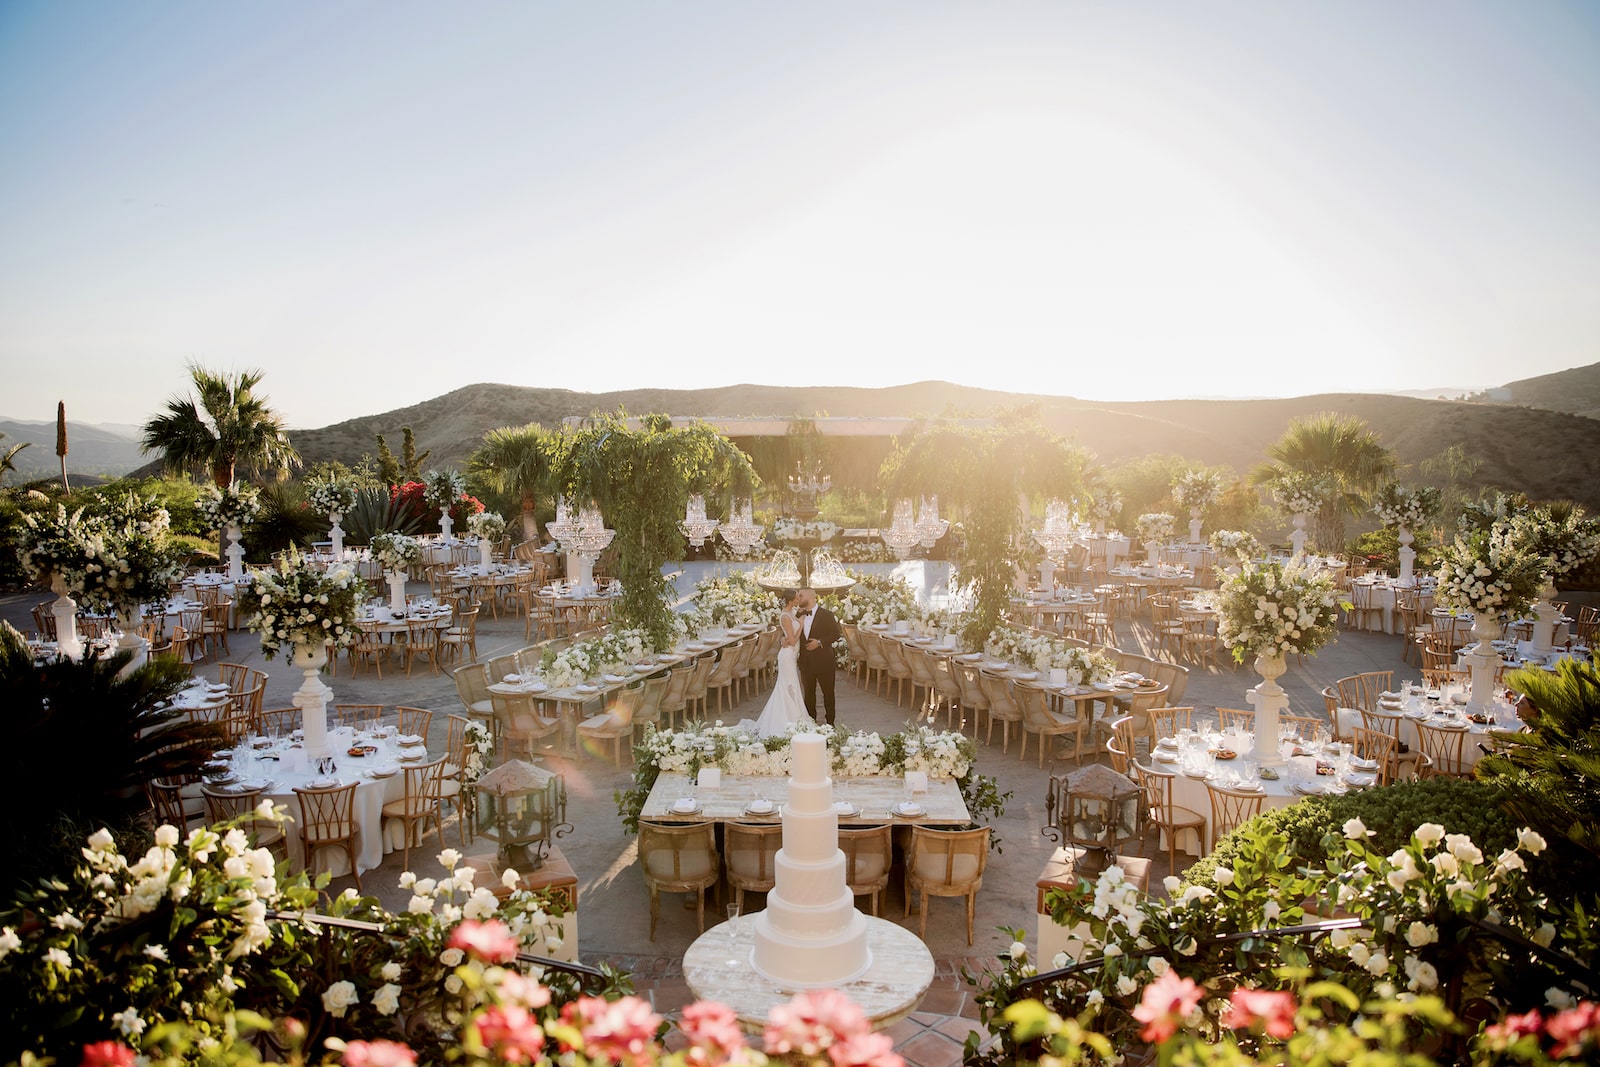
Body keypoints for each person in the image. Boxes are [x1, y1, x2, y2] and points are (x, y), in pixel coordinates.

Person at [752, 592, 809, 737]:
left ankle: (793, 717)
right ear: (790, 600)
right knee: (788, 686)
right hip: (787, 656)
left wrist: (783, 638)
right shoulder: (785, 616)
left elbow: (786, 637)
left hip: (792, 655)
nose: (798, 599)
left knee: (791, 685)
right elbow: (792, 640)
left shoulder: (791, 612)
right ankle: (787, 719)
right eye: (796, 597)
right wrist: (801, 625)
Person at [794, 586, 842, 726]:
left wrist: (820, 642)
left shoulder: (826, 615)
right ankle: (811, 722)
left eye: (801, 596)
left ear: (810, 596)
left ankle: (830, 723)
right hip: (806, 662)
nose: (798, 599)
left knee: (828, 694)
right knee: (808, 694)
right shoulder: (798, 615)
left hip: (824, 662)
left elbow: (835, 634)